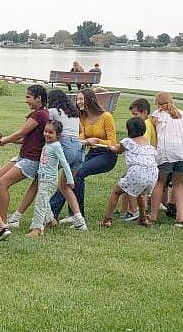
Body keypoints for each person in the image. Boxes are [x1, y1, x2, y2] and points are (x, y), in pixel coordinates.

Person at [51, 87, 118, 219]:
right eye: (77, 99)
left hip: (107, 155)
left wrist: (97, 140)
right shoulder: (82, 117)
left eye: (81, 99)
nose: (78, 102)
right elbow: (80, 134)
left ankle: (76, 214)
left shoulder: (106, 116)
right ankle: (52, 212)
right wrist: (82, 140)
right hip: (91, 153)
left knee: (79, 172)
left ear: (90, 99)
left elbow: (112, 142)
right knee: (71, 175)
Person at [0, 85, 50, 229]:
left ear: (39, 98)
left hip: (31, 160)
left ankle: (2, 222)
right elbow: (26, 138)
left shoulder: (40, 115)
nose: (26, 101)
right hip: (23, 156)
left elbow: (20, 133)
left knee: (2, 183)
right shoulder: (39, 114)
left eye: (28, 97)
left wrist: (1, 141)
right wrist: (6, 140)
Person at [28, 120, 85, 237]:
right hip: (43, 179)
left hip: (49, 180)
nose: (46, 134)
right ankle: (50, 220)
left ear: (58, 136)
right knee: (44, 200)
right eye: (45, 131)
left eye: (51, 133)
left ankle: (37, 229)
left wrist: (70, 180)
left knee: (40, 202)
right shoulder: (48, 144)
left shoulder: (56, 146)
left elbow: (64, 163)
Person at [148, 92, 183, 227]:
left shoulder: (157, 115)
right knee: (179, 185)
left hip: (167, 151)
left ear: (157, 104)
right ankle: (180, 218)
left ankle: (153, 216)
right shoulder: (182, 115)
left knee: (160, 182)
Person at [101, 117, 157, 228]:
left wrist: (110, 148)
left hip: (138, 171)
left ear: (129, 130)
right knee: (139, 193)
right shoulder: (147, 142)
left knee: (116, 192)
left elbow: (118, 150)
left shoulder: (127, 141)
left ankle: (107, 220)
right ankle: (143, 218)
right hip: (153, 173)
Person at [119, 98, 156, 221]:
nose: (134, 117)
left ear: (145, 112)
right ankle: (125, 210)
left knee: (130, 183)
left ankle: (134, 211)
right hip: (147, 165)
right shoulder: (148, 123)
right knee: (127, 183)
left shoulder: (144, 126)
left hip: (144, 165)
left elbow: (139, 145)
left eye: (136, 114)